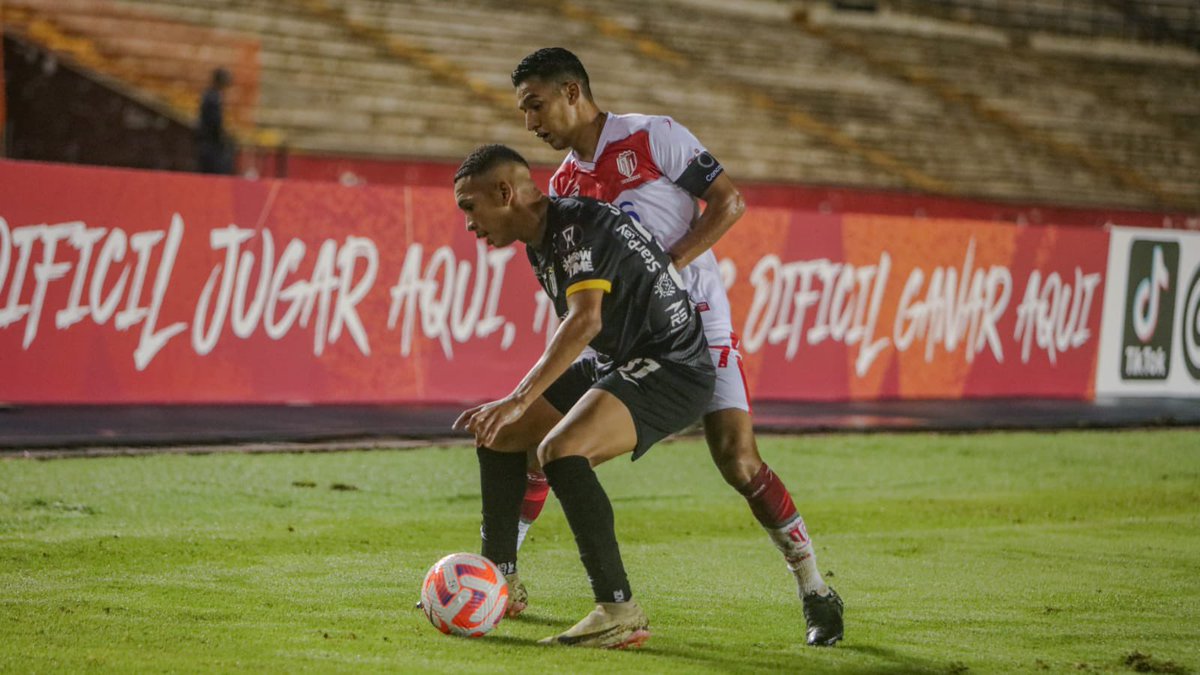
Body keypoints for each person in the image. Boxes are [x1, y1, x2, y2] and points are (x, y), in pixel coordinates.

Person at [509, 47, 844, 646]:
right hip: (623, 338)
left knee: (738, 460)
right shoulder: (562, 184)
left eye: (535, 105)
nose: (530, 123)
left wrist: (668, 266)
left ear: (571, 92)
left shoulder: (650, 136)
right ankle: (502, 577)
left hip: (700, 322)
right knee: (543, 443)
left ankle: (815, 589)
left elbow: (729, 202)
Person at [452, 144, 715, 648]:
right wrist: (516, 408)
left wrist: (519, 397)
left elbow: (586, 320)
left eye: (470, 206)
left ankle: (618, 610)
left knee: (559, 450)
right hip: (628, 360)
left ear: (505, 193)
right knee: (502, 434)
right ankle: (497, 581)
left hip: (674, 369)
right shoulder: (545, 238)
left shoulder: (574, 227)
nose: (468, 223)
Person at [195, 67, 234, 175]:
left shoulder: (210, 95)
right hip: (211, 143)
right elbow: (215, 122)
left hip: (207, 142)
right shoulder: (213, 98)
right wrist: (224, 135)